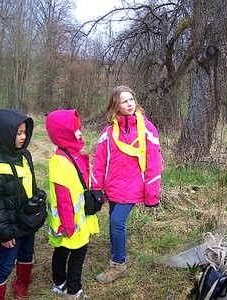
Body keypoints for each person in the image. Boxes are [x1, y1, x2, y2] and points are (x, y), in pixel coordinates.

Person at [91, 85, 162, 284]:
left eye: (131, 99)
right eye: (124, 101)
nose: (130, 104)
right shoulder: (108, 131)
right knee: (113, 221)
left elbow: (154, 162)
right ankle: (115, 253)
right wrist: (96, 187)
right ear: (115, 105)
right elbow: (99, 160)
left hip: (133, 186)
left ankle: (118, 265)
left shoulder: (147, 128)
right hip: (112, 185)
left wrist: (152, 193)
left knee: (116, 222)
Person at [0, 108, 46, 300]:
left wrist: (37, 202)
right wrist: (5, 233)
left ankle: (22, 283)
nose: (23, 137)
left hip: (27, 221)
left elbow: (30, 184)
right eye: (18, 133)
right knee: (5, 263)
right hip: (10, 226)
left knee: (27, 253)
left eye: (25, 132)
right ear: (5, 133)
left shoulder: (24, 155)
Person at [45, 109, 99, 299]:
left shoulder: (72, 154)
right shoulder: (59, 161)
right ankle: (73, 289)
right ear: (64, 133)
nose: (80, 133)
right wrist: (68, 225)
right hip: (69, 221)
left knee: (63, 249)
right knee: (76, 251)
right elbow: (63, 197)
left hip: (76, 219)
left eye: (79, 128)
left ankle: (59, 283)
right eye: (75, 130)